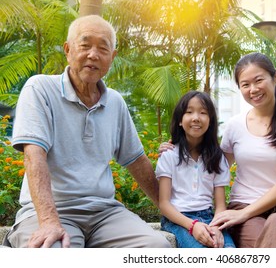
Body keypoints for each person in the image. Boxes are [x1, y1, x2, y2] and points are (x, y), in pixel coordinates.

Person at [4, 15, 171, 248]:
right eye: (85, 45)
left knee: (157, 247)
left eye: (103, 48)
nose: (93, 54)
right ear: (68, 49)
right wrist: (49, 221)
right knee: (52, 252)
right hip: (53, 211)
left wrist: (172, 213)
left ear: (111, 58)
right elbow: (34, 155)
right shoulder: (40, 88)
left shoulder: (115, 102)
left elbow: (137, 161)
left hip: (105, 213)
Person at [160, 53, 276, 248]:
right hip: (243, 207)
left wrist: (244, 213)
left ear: (275, 78)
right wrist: (176, 147)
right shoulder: (235, 125)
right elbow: (213, 164)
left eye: (259, 80)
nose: (253, 89)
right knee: (266, 240)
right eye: (245, 84)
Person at [156, 91, 235, 248]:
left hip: (209, 218)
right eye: (189, 112)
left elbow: (220, 205)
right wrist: (192, 226)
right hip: (178, 220)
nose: (196, 118)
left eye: (203, 112)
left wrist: (215, 226)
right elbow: (164, 204)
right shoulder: (169, 155)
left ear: (211, 121)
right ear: (180, 120)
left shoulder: (217, 158)